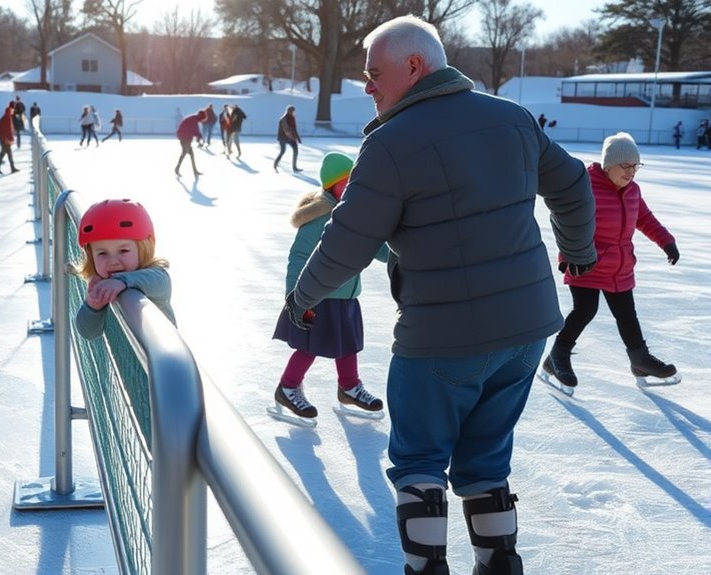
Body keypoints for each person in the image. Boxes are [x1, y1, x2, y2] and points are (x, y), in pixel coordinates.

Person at [284, 16, 596, 575]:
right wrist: (578, 252)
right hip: (525, 334)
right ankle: (499, 564)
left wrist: (302, 297)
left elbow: (347, 242)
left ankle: (426, 569)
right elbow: (573, 184)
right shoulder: (512, 118)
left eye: (375, 74)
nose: (368, 87)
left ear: (414, 65)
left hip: (440, 342)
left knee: (420, 461)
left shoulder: (390, 144)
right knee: (485, 463)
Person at [541, 132, 679, 393]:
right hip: (586, 263)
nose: (631, 172)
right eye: (625, 166)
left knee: (627, 314)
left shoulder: (633, 191)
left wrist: (667, 242)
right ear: (608, 165)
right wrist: (567, 256)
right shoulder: (586, 187)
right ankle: (557, 356)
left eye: (635, 166)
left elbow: (645, 219)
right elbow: (567, 222)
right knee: (585, 309)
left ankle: (640, 361)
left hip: (620, 266)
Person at [270, 152, 386, 425]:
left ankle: (348, 388)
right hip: (316, 295)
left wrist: (402, 255)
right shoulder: (320, 216)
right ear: (331, 187)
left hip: (346, 296)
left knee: (348, 345)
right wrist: (294, 296)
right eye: (345, 183)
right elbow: (298, 255)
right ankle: (287, 388)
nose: (351, 187)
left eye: (353, 181)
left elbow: (375, 245)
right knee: (309, 345)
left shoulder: (357, 213)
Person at [74, 199, 174, 340]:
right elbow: (88, 334)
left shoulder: (154, 274)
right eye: (102, 253)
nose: (113, 261)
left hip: (161, 360)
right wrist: (92, 306)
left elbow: (162, 281)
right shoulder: (103, 285)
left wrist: (122, 281)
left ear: (144, 249)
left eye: (124, 251)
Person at [174, 109, 205, 178]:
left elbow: (194, 130)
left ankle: (194, 170)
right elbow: (195, 130)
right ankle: (177, 168)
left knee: (191, 154)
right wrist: (199, 137)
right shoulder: (194, 120)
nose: (201, 121)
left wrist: (198, 137)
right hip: (184, 137)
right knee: (185, 152)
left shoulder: (194, 118)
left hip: (184, 136)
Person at [273, 105, 302, 173]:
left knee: (295, 151)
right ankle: (275, 164)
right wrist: (294, 138)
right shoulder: (284, 119)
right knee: (282, 151)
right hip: (283, 137)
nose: (294, 113)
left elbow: (294, 129)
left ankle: (294, 167)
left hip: (290, 137)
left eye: (294, 111)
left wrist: (298, 138)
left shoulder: (292, 118)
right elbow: (287, 130)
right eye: (292, 111)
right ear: (289, 111)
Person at [0, 103, 18, 174]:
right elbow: (6, 130)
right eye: (11, 110)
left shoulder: (6, 118)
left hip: (4, 140)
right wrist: (5, 138)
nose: (13, 111)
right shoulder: (6, 119)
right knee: (8, 154)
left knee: (3, 153)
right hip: (5, 140)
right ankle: (12, 168)